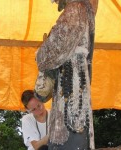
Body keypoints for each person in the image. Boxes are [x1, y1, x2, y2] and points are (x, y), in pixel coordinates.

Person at [34, 0, 95, 149]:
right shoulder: (81, 10)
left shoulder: (77, 8)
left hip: (72, 92)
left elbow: (56, 47)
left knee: (71, 134)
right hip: (71, 88)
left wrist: (41, 53)